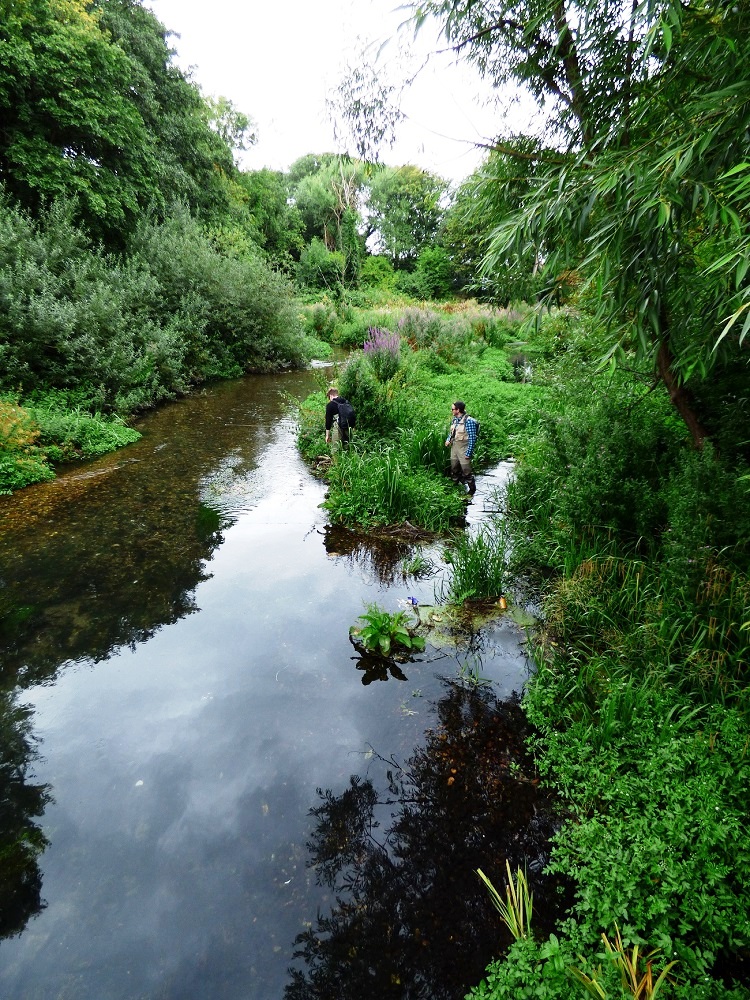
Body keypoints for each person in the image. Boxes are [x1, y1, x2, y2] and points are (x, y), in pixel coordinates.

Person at [445, 400, 477, 495]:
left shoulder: (469, 421)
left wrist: (468, 453)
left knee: (466, 471)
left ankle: (472, 491)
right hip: (454, 447)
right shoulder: (454, 420)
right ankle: (456, 488)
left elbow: (472, 438)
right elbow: (451, 433)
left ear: (458, 410)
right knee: (454, 469)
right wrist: (448, 440)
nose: (451, 411)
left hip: (464, 449)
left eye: (452, 409)